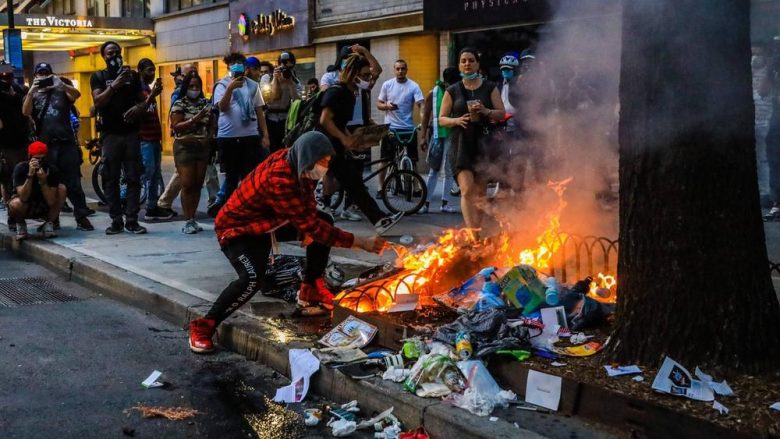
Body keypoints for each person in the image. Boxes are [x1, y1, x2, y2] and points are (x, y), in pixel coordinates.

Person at [187, 132, 387, 353]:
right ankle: (204, 325)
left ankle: (310, 289)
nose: (324, 168)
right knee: (252, 278)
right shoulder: (280, 178)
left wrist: (310, 225)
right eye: (321, 162)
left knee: (324, 220)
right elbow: (312, 226)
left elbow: (309, 207)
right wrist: (360, 242)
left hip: (270, 221)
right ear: (308, 157)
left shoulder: (297, 164)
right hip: (239, 230)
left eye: (327, 162)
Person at [318, 52, 403, 235]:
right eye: (364, 75)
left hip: (335, 145)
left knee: (353, 183)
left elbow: (340, 123)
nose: (367, 79)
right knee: (352, 182)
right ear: (353, 73)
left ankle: (377, 219)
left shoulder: (351, 94)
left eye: (368, 75)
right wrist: (344, 139)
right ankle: (378, 219)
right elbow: (325, 120)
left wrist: (353, 141)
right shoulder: (337, 91)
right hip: (324, 145)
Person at [438, 48, 505, 232]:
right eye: (463, 61)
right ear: (459, 65)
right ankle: (473, 235)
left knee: (481, 193)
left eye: (471, 60)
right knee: (467, 190)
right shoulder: (452, 90)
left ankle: (478, 228)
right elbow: (441, 118)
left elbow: (501, 113)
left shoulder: (490, 87)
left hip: (483, 142)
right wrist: (457, 120)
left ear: (477, 64)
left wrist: (486, 111)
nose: (467, 64)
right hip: (461, 143)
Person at [22, 63, 92, 231]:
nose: (44, 76)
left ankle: (81, 216)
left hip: (66, 143)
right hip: (46, 148)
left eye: (47, 73)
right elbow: (25, 112)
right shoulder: (34, 94)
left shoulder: (61, 90)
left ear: (52, 74)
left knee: (74, 182)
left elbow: (77, 94)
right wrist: (31, 91)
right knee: (50, 182)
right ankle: (53, 219)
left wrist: (60, 83)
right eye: (40, 73)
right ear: (36, 75)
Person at [90, 40, 148, 235]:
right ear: (104, 57)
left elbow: (143, 103)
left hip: (131, 134)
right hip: (110, 135)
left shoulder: (133, 76)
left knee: (133, 178)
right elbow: (98, 102)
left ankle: (132, 219)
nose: (113, 56)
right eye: (109, 53)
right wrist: (114, 86)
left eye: (116, 52)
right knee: (110, 178)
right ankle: (116, 220)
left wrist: (138, 108)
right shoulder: (99, 76)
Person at [207, 53, 271, 217]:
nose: (237, 66)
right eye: (233, 63)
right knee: (231, 176)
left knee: (249, 176)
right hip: (228, 138)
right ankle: (228, 210)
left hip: (249, 136)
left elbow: (259, 111)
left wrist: (265, 135)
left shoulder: (252, 85)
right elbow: (222, 107)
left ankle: (247, 209)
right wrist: (230, 88)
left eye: (239, 63)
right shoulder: (221, 85)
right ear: (228, 66)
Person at [170, 72, 214, 234]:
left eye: (197, 86)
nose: (195, 89)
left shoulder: (206, 103)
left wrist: (209, 139)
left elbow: (212, 125)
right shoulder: (180, 104)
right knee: (187, 184)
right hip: (184, 147)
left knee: (197, 184)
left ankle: (193, 218)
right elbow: (176, 126)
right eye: (191, 86)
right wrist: (195, 119)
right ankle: (187, 219)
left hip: (202, 148)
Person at [376, 59, 426, 198]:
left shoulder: (413, 86)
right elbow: (379, 104)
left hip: (408, 128)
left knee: (413, 160)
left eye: (403, 68)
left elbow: (421, 105)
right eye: (398, 69)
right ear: (394, 70)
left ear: (406, 69)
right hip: (390, 128)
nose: (400, 71)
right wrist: (387, 106)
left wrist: (423, 120)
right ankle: (381, 188)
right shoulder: (387, 85)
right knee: (385, 160)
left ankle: (415, 187)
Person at [420, 67, 460, 214]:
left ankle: (442, 204)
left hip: (451, 135)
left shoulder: (455, 91)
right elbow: (425, 116)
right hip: (438, 135)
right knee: (435, 170)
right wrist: (423, 136)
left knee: (447, 171)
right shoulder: (435, 93)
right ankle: (427, 204)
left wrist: (424, 136)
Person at [8, 141, 66, 240]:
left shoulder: (51, 170)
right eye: (36, 159)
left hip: (44, 205)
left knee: (62, 189)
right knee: (15, 203)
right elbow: (23, 197)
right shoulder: (21, 168)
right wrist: (30, 176)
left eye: (41, 159)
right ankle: (21, 225)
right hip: (25, 206)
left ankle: (48, 224)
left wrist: (43, 182)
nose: (38, 162)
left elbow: (51, 201)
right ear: (29, 157)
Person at [133, 58, 168, 221]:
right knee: (147, 172)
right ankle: (134, 202)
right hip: (144, 139)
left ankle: (152, 207)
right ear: (140, 71)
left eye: (153, 70)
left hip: (154, 139)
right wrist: (152, 95)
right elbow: (138, 111)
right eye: (149, 70)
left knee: (155, 174)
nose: (152, 74)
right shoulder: (137, 90)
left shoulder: (147, 89)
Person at [0, 63, 29, 232]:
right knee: (7, 179)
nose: (6, 77)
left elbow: (26, 112)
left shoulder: (18, 90)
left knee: (21, 178)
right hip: (5, 144)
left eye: (8, 74)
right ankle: (13, 215)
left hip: (21, 141)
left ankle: (19, 214)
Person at [265, 51, 301, 152]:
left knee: (284, 149)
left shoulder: (295, 81)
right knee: (271, 150)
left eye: (288, 66)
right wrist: (275, 80)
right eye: (282, 64)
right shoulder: (268, 78)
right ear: (278, 64)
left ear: (293, 66)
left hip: (286, 119)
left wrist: (290, 84)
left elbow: (297, 102)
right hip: (270, 119)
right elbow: (271, 99)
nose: (284, 68)